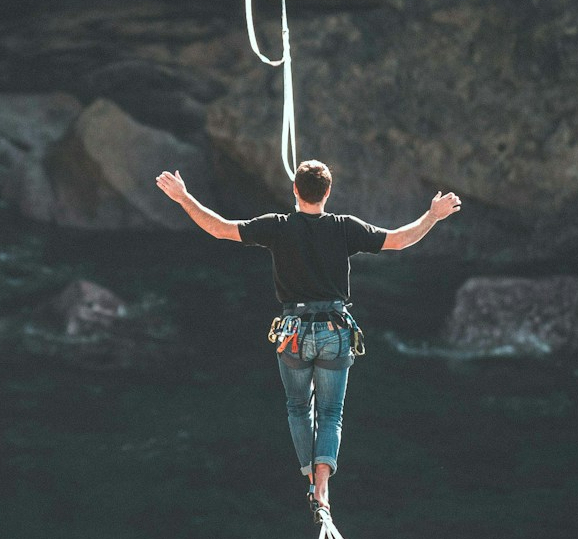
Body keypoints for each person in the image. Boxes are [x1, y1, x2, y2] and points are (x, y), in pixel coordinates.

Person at [154, 161, 461, 514]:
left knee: (299, 408)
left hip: (294, 332)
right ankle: (323, 484)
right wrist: (433, 215)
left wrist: (183, 198)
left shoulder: (277, 227)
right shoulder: (345, 227)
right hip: (335, 329)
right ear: (328, 192)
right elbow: (399, 240)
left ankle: (309, 477)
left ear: (295, 191)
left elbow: (221, 229)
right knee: (331, 413)